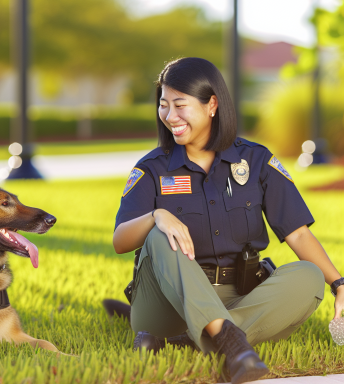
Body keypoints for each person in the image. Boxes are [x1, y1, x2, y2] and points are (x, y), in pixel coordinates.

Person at [104, 57, 344, 384]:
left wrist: (338, 284)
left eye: (180, 105)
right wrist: (157, 216)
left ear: (212, 104)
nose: (169, 116)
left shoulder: (256, 160)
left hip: (237, 292)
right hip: (165, 304)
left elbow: (298, 234)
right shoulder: (152, 168)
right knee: (162, 235)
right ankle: (231, 342)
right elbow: (121, 240)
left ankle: (187, 341)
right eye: (163, 105)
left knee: (309, 277)